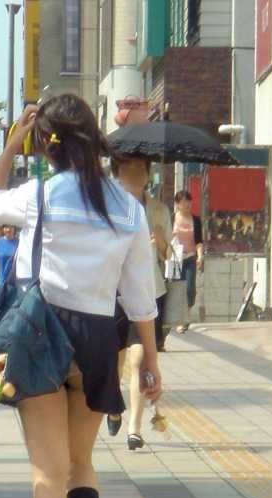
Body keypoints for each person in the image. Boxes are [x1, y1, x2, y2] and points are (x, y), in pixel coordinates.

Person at [0, 95, 162, 498]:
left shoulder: (39, 194)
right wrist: (150, 361)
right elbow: (140, 297)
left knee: (47, 470)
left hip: (41, 335)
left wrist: (12, 142)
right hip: (97, 341)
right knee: (81, 461)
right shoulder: (127, 206)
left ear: (46, 144)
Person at [107, 156, 170, 451]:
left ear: (147, 175)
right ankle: (113, 407)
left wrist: (159, 241)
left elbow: (169, 254)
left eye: (140, 170)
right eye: (128, 170)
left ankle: (134, 427)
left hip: (146, 292)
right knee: (115, 360)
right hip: (112, 293)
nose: (134, 175)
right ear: (116, 174)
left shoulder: (159, 210)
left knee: (138, 358)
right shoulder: (106, 207)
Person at [172, 190, 203, 334]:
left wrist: (200, 256)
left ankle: (186, 314)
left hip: (190, 258)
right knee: (177, 290)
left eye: (189, 201)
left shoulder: (195, 220)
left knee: (190, 289)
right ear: (177, 204)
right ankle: (181, 320)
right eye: (184, 202)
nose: (187, 205)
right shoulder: (172, 218)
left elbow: (199, 241)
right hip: (175, 259)